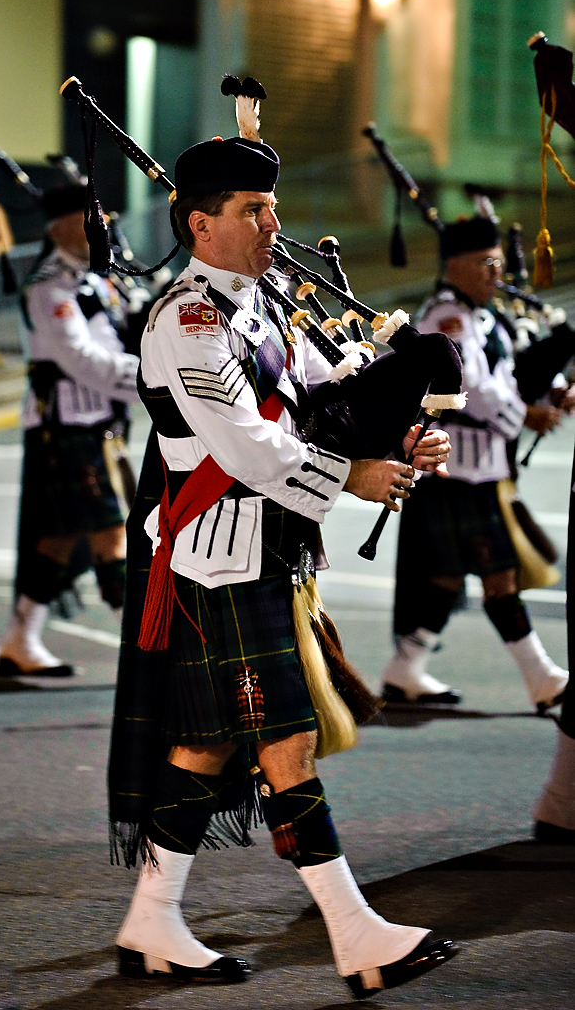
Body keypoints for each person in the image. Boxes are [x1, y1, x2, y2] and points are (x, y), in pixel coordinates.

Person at [107, 135, 458, 998]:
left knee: (209, 741)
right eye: (252, 211)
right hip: (219, 556)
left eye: (272, 207)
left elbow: (326, 390)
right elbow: (250, 446)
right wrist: (357, 478)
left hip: (271, 547)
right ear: (200, 224)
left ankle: (151, 921)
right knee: (287, 742)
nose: (273, 223)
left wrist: (402, 428)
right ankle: (357, 937)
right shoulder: (184, 322)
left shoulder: (260, 303)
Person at [379, 216, 570, 711]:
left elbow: (503, 376)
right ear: (457, 265)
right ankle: (543, 678)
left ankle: (405, 668)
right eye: (488, 265)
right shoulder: (447, 317)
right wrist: (525, 416)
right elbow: (471, 389)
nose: (495, 275)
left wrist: (548, 394)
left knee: (447, 575)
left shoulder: (480, 317)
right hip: (454, 470)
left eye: (498, 265)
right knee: (497, 576)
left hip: (478, 470)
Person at [0, 185, 140, 677]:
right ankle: (141, 656)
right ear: (59, 227)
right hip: (67, 427)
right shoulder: (49, 287)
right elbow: (81, 361)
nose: (100, 227)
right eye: (88, 218)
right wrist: (150, 381)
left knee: (60, 538)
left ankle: (20, 639)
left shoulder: (96, 281)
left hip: (98, 425)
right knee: (111, 532)